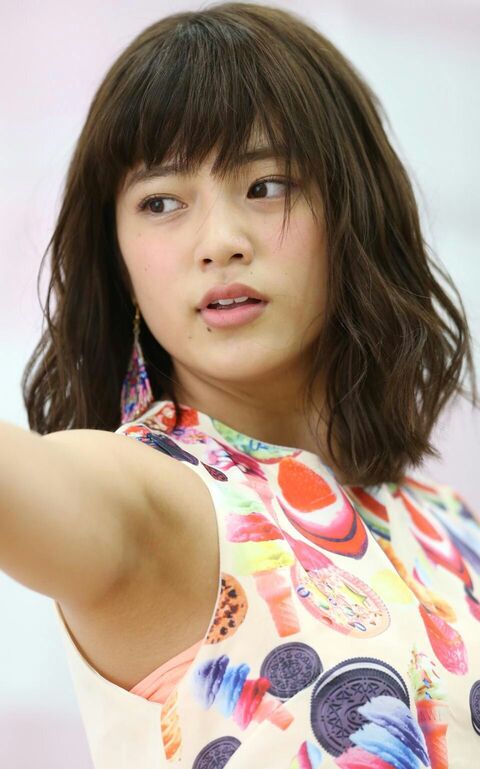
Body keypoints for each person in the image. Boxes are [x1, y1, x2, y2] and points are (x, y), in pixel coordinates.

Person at [2, 2, 479, 767]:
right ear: (117, 255)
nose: (220, 242)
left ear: (353, 210)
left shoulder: (453, 527)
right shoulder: (154, 502)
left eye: (266, 184)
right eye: (161, 202)